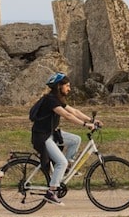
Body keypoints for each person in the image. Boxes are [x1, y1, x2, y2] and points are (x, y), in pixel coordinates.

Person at [30, 72, 102, 205]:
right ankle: (51, 192)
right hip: (42, 136)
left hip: (51, 133)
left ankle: (68, 168)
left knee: (75, 140)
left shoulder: (57, 99)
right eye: (67, 86)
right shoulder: (50, 100)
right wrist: (85, 125)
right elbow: (67, 116)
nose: (69, 88)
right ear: (59, 86)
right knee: (60, 162)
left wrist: (92, 120)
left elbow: (74, 112)